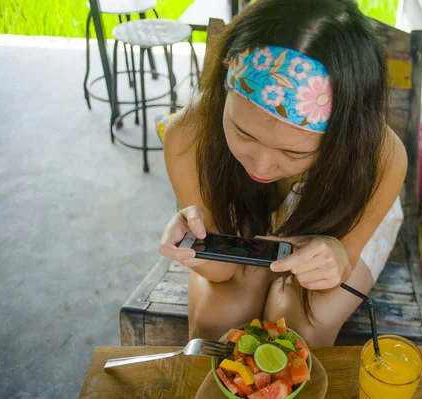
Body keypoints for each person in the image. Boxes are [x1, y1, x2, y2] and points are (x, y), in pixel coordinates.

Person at [159, 0, 407, 346]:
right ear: (225, 89)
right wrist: (193, 248)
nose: (260, 167)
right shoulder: (189, 135)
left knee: (301, 325)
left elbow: (343, 263)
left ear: (341, 139)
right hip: (244, 213)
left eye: (294, 153)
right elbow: (224, 271)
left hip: (343, 218)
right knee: (221, 318)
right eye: (243, 133)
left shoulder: (380, 157)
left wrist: (334, 254)